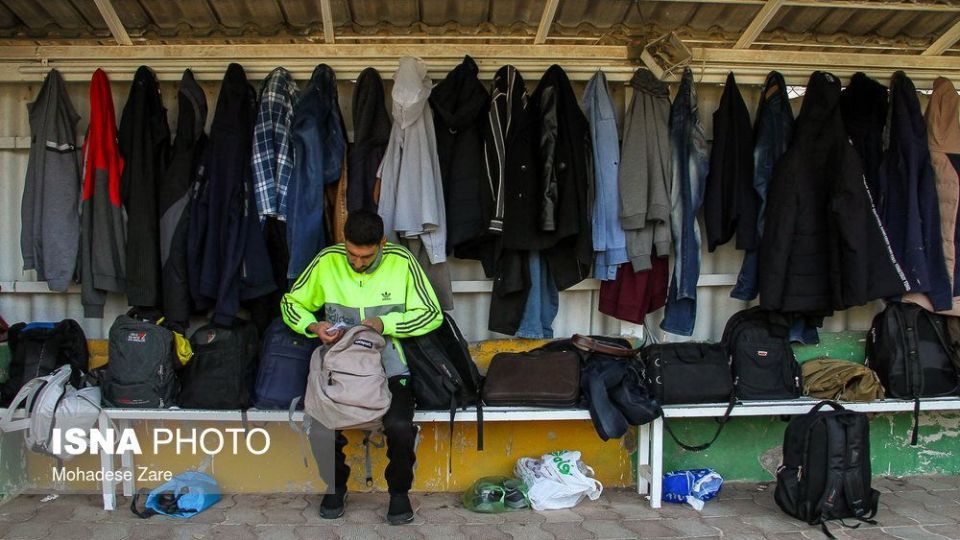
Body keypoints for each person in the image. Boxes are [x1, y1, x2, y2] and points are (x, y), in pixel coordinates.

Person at [281, 210, 442, 525]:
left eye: (365, 257)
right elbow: (291, 303)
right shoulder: (327, 261)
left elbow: (432, 313)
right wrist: (314, 326)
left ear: (382, 243)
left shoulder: (403, 262)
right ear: (344, 241)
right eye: (351, 255)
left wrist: (386, 323)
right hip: (339, 368)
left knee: (398, 426)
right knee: (320, 424)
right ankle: (336, 485)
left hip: (392, 366)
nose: (357, 262)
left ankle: (398, 493)